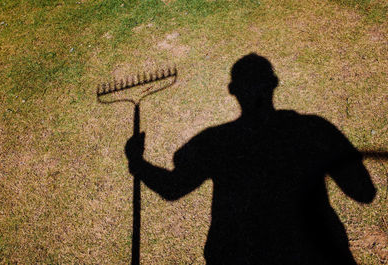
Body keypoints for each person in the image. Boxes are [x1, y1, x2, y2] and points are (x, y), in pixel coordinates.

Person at [125, 53, 376, 264]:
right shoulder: (314, 130)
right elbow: (364, 192)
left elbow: (173, 187)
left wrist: (137, 162)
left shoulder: (215, 142)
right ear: (274, 83)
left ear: (233, 90)